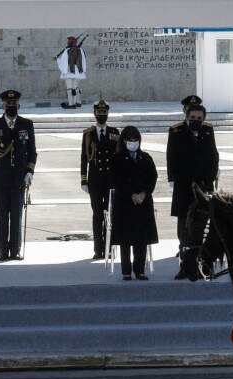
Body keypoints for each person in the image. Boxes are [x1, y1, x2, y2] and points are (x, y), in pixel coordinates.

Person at [166, 103, 219, 279]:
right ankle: (185, 267)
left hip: (203, 189)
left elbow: (213, 157)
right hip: (184, 189)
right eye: (192, 118)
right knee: (184, 231)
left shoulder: (207, 131)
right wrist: (177, 180)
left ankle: (204, 267)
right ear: (187, 117)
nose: (196, 121)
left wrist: (207, 182)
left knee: (205, 231)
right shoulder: (176, 132)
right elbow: (172, 158)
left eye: (199, 118)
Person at [0, 89, 37, 261]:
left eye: (14, 103)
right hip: (0, 177)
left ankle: (15, 250)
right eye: (8, 104)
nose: (11, 106)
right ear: (3, 106)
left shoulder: (26, 124)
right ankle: (3, 251)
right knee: (1, 216)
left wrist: (29, 172)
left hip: (19, 178)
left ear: (18, 106)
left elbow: (32, 151)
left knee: (16, 215)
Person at [110, 126, 158, 280]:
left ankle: (140, 270)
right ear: (124, 141)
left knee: (141, 238)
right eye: (130, 140)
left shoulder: (146, 157)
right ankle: (126, 271)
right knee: (125, 239)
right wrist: (131, 195)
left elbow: (153, 177)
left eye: (135, 140)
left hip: (143, 202)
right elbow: (117, 180)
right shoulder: (117, 158)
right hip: (124, 203)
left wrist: (144, 193)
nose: (133, 143)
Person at [80, 99, 120, 260]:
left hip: (110, 180)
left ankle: (109, 248)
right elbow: (84, 158)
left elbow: (118, 157)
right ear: (94, 113)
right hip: (95, 180)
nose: (101, 115)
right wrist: (83, 180)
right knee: (97, 215)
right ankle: (98, 249)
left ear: (107, 114)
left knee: (110, 214)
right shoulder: (88, 134)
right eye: (99, 112)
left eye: (104, 112)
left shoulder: (114, 132)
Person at [57, 35, 87, 109]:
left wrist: (57, 59)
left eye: (68, 41)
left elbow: (63, 62)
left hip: (69, 71)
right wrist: (82, 70)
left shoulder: (67, 50)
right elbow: (83, 61)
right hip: (78, 71)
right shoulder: (81, 50)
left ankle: (71, 104)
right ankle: (78, 102)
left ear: (70, 42)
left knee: (70, 88)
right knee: (76, 88)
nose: (67, 42)